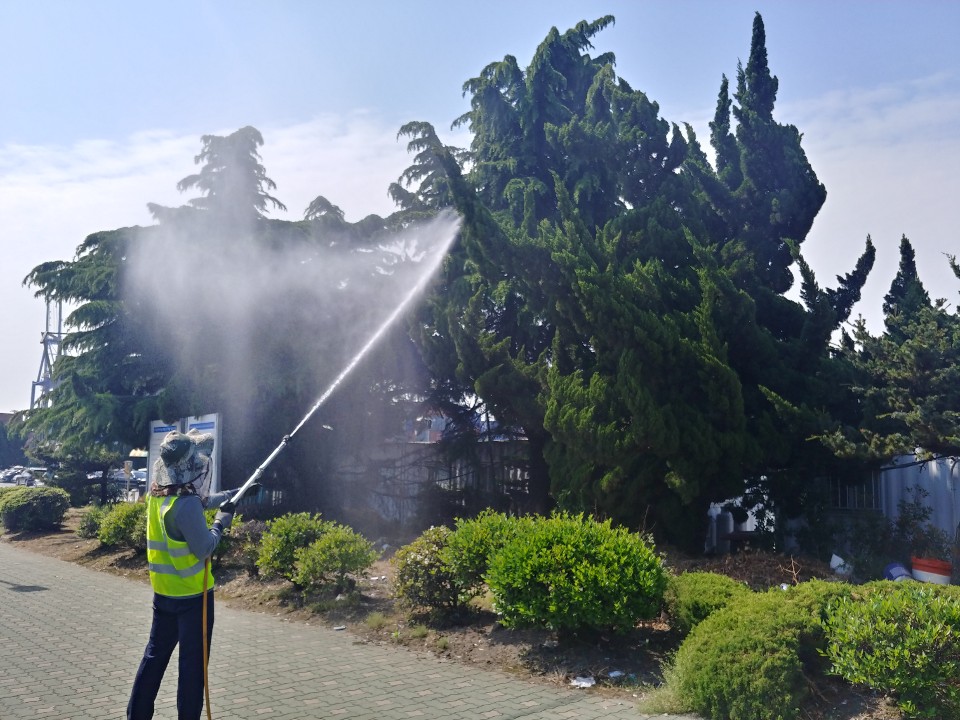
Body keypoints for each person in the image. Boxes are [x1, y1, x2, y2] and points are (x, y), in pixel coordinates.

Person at [127, 429, 235, 720]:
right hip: (193, 599)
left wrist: (230, 497)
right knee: (192, 668)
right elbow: (205, 547)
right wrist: (222, 522)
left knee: (154, 659)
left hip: (164, 595)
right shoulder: (184, 504)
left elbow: (197, 502)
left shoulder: (157, 496)